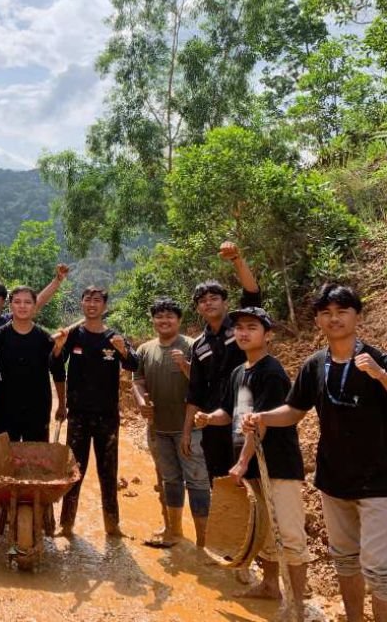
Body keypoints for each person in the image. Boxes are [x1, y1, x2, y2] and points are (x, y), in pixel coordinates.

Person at [244, 284, 387, 622]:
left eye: (342, 311)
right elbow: (294, 411)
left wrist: (382, 376)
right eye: (326, 313)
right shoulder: (315, 365)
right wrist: (262, 417)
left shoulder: (379, 360)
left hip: (378, 483)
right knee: (344, 559)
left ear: (357, 315)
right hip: (333, 480)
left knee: (380, 568)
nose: (334, 319)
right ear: (317, 321)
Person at [194, 307, 310, 618]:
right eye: (239, 328)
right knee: (264, 532)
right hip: (251, 465)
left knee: (288, 535)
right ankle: (271, 585)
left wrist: (243, 462)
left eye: (252, 327)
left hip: (277, 464)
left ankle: (296, 606)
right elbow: (230, 414)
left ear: (267, 334)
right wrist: (208, 418)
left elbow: (262, 423)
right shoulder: (238, 372)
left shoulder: (271, 372)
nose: (243, 333)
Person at [52, 286, 138, 539]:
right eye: (87, 299)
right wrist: (58, 348)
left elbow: (133, 364)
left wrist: (123, 350)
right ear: (81, 304)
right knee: (74, 471)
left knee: (108, 472)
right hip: (78, 415)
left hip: (108, 417)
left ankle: (113, 526)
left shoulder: (114, 337)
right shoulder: (72, 335)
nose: (92, 304)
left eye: (97, 300)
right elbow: (55, 365)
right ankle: (65, 525)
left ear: (105, 306)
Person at [183, 241, 262, 483]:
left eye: (214, 297)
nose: (209, 302)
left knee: (251, 479)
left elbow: (252, 294)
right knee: (220, 481)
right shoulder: (199, 345)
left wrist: (237, 259)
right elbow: (195, 391)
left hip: (247, 414)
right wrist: (187, 431)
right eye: (203, 300)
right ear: (198, 308)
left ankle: (258, 522)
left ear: (225, 302)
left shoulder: (242, 327)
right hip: (214, 421)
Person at [132, 297, 207, 549]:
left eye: (170, 316)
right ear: (153, 320)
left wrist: (185, 366)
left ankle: (203, 540)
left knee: (197, 481)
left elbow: (204, 384)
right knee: (170, 480)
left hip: (191, 430)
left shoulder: (193, 346)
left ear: (179, 320)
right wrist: (141, 401)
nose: (164, 321)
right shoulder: (145, 349)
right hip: (158, 429)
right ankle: (173, 530)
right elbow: (137, 381)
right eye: (159, 316)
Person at [0, 285, 65, 442]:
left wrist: (62, 404)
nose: (22, 306)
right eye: (17, 302)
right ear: (10, 306)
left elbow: (58, 371)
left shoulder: (46, 338)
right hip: (4, 408)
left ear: (35, 306)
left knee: (36, 460)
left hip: (37, 408)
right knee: (6, 460)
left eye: (27, 302)